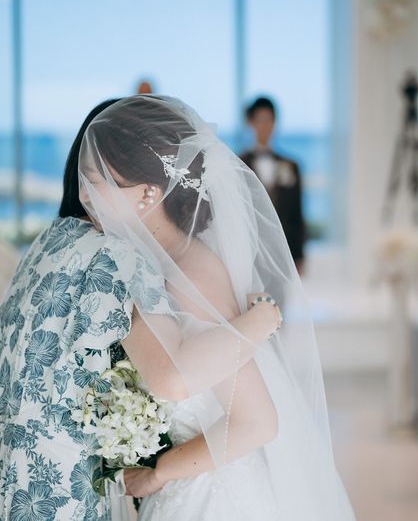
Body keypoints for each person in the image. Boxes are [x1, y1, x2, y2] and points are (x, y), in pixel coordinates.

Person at [0, 98, 283, 519]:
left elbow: (255, 421)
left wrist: (159, 473)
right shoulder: (135, 262)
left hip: (209, 495)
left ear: (149, 192)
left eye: (97, 181)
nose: (83, 196)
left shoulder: (187, 272)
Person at [239, 97, 306, 272]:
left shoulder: (291, 165)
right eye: (260, 120)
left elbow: (297, 213)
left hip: (283, 253)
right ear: (251, 123)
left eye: (269, 120)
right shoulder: (238, 165)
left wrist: (299, 255)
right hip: (250, 254)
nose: (265, 126)